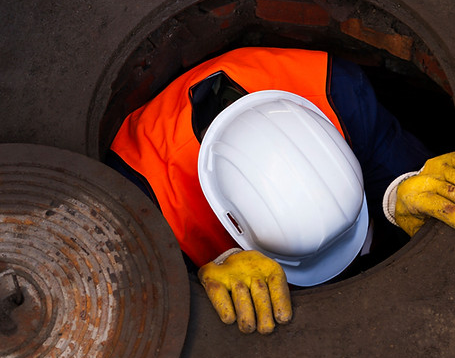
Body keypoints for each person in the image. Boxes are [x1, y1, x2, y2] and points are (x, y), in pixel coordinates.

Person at [107, 47, 455, 334]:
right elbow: (130, 295)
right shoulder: (142, 186)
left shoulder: (337, 90)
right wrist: (195, 279)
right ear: (229, 217)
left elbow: (381, 147)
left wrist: (397, 189)